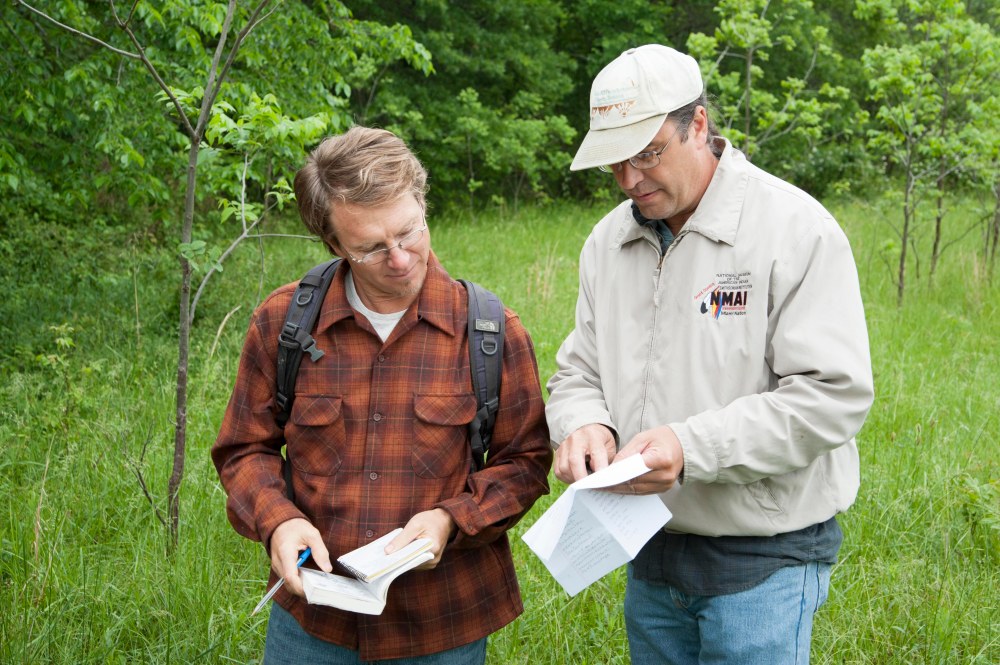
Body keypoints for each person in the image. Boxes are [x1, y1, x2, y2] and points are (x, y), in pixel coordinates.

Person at [545, 45, 874, 664]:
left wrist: (689, 449)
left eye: (647, 155)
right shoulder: (608, 241)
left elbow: (833, 397)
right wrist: (584, 422)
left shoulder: (794, 230)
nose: (629, 180)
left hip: (762, 557)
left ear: (698, 125)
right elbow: (579, 370)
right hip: (648, 548)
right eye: (614, 162)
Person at [212, 126, 552, 664]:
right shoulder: (284, 323)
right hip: (314, 623)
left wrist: (451, 520)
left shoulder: (489, 331)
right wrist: (279, 519)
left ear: (422, 205)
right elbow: (243, 449)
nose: (399, 258)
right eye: (371, 248)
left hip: (443, 625)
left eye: (409, 231)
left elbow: (526, 463)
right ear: (334, 244)